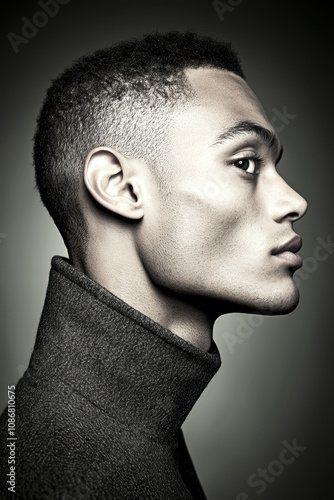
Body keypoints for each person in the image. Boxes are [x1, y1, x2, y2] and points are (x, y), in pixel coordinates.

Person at [0, 31, 307, 499]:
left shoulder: (105, 436)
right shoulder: (74, 471)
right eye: (246, 163)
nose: (294, 202)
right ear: (120, 188)